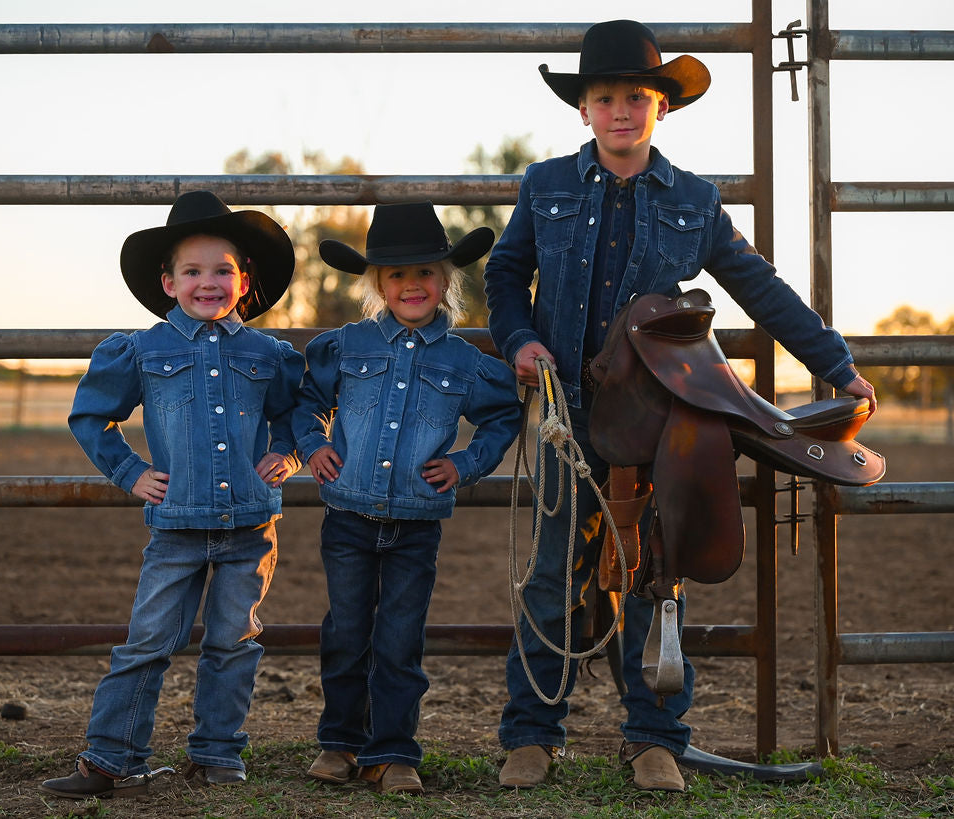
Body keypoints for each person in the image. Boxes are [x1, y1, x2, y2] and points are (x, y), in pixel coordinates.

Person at [484, 20, 877, 792]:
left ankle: (654, 736)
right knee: (552, 571)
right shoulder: (546, 186)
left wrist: (837, 365)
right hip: (568, 408)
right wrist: (520, 342)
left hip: (660, 416)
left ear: (661, 105)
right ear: (584, 109)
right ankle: (531, 733)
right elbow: (505, 274)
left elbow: (759, 286)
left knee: (655, 573)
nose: (621, 110)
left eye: (637, 95)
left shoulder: (694, 201)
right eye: (605, 97)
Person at [41, 190, 305, 799]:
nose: (207, 282)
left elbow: (302, 413)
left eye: (222, 271)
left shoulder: (269, 356)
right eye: (192, 271)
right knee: (147, 643)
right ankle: (112, 759)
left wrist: (289, 453)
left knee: (233, 644)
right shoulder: (141, 350)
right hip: (176, 526)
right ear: (168, 282)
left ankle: (217, 756)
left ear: (244, 282)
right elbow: (91, 417)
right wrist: (130, 472)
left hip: (249, 528)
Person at [294, 202, 522, 795]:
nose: (411, 285)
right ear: (378, 285)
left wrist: (467, 463)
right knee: (346, 632)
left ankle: (394, 752)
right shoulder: (345, 346)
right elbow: (304, 401)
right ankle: (340, 743)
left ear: (446, 281)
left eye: (424, 272)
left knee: (399, 640)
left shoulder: (466, 362)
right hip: (347, 516)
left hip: (417, 524)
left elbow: (502, 416)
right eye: (396, 275)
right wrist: (312, 445)